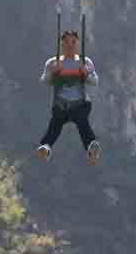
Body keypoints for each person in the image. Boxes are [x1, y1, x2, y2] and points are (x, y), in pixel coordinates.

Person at [37, 31, 102, 164]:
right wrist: (53, 73)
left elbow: (95, 81)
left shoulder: (85, 62)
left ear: (78, 44)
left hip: (79, 104)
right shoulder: (53, 62)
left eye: (73, 42)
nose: (70, 45)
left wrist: (86, 73)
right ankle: (46, 148)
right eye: (66, 42)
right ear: (62, 44)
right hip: (61, 103)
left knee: (83, 123)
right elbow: (44, 81)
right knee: (55, 125)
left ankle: (91, 148)